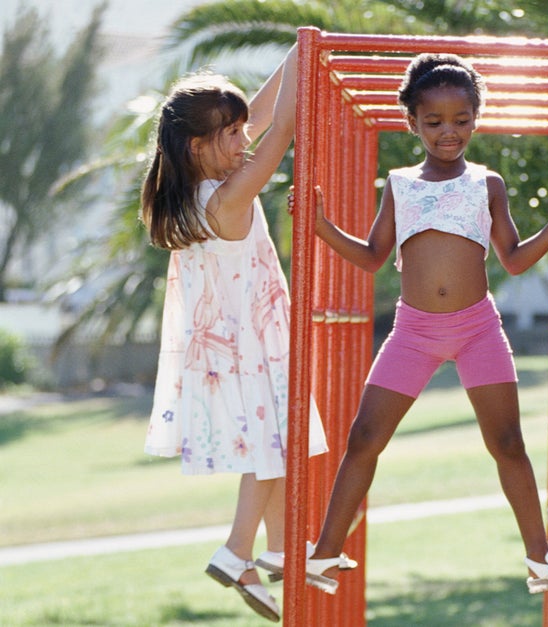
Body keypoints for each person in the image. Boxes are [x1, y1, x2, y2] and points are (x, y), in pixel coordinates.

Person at [303, 53, 548, 596]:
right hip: (413, 331)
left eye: (461, 120)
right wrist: (320, 227)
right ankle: (324, 552)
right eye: (434, 121)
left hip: (478, 328)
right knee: (364, 437)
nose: (448, 132)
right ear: (411, 121)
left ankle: (541, 558)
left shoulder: (488, 184)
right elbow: (372, 256)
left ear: (476, 119)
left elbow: (512, 258)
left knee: (508, 442)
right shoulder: (399, 183)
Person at [141, 44, 328, 622]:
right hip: (252, 346)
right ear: (199, 146)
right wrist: (307, 61)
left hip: (230, 348)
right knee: (272, 449)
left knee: (279, 445)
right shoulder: (229, 197)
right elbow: (286, 126)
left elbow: (265, 117)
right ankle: (237, 549)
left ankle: (276, 549)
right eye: (232, 135)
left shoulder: (187, 200)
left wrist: (300, 53)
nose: (244, 141)